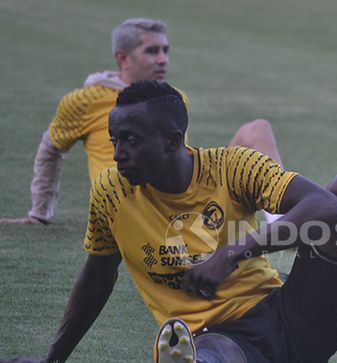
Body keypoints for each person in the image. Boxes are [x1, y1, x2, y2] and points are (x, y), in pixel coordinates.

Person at [0, 81, 337, 363]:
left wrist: (232, 253)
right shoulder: (111, 194)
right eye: (115, 140)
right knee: (209, 356)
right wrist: (52, 357)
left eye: (131, 140)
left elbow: (327, 207)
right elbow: (97, 277)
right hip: (214, 335)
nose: (118, 153)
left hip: (293, 316)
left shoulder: (230, 167)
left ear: (172, 140)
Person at [0, 17, 282, 225]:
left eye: (165, 51)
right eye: (152, 51)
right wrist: (40, 213)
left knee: (257, 130)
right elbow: (51, 148)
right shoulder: (86, 101)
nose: (163, 60)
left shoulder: (174, 98)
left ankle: (280, 221)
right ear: (123, 57)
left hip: (183, 194)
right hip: (135, 205)